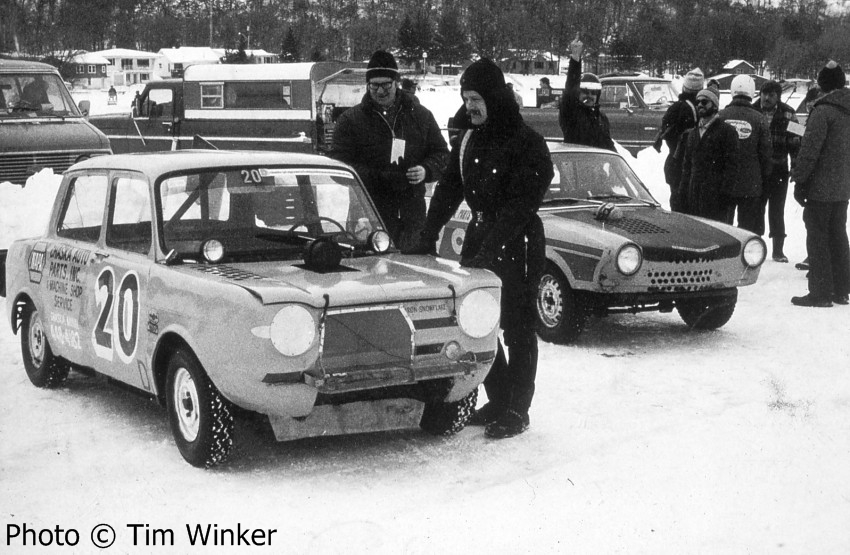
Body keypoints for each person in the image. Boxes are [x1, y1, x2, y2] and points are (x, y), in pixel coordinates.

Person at [410, 58, 553, 439]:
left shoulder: (528, 143)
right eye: (465, 97)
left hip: (518, 244)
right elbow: (447, 190)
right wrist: (428, 233)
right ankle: (499, 396)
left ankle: (517, 409)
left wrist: (492, 248)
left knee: (518, 329)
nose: (469, 105)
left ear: (493, 97)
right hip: (481, 241)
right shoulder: (468, 140)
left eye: (476, 98)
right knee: (480, 325)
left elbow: (523, 205)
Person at [329, 50, 449, 251]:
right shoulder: (350, 121)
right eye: (374, 85)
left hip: (413, 217)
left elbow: (443, 154)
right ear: (367, 85)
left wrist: (426, 170)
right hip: (369, 216)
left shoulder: (421, 116)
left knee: (418, 274)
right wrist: (380, 178)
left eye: (386, 85)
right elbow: (339, 168)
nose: (380, 91)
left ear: (397, 83)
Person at [790, 60, 850, 308]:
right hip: (843, 187)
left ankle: (820, 292)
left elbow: (809, 151)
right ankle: (841, 290)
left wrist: (800, 180)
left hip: (820, 188)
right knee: (838, 235)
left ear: (822, 83)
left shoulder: (822, 111)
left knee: (817, 237)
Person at [752, 80, 802, 261]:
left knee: (777, 210)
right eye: (764, 94)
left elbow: (797, 142)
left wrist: (796, 166)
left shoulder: (789, 113)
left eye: (771, 95)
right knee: (755, 210)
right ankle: (753, 248)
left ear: (778, 97)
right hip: (755, 171)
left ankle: (778, 251)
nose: (766, 98)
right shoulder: (752, 110)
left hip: (779, 169)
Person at [717, 74, 772, 233]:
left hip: (724, 183)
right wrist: (765, 180)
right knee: (746, 231)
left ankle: (723, 254)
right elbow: (766, 154)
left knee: (723, 228)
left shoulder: (720, 116)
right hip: (751, 185)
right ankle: (747, 255)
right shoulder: (760, 119)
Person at [677, 87, 739, 221]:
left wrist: (725, 196)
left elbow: (732, 167)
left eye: (705, 102)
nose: (700, 105)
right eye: (697, 102)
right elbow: (687, 166)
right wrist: (682, 192)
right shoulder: (692, 134)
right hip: (694, 196)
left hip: (716, 198)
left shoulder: (727, 131)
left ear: (715, 106)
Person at [654, 68, 704, 209]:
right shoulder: (702, 109)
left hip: (674, 165)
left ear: (683, 87)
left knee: (677, 205)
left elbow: (666, 132)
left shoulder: (675, 108)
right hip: (691, 167)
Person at [559, 33, 615, 151]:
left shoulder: (601, 118)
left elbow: (608, 145)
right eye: (585, 92)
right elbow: (570, 88)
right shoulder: (571, 112)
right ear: (578, 93)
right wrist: (575, 59)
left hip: (597, 166)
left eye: (593, 93)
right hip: (576, 164)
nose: (589, 96)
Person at [795, 86, 825, 272]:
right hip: (831, 182)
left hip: (818, 180)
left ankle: (818, 262)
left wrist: (800, 177)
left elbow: (810, 152)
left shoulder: (820, 117)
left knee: (817, 222)